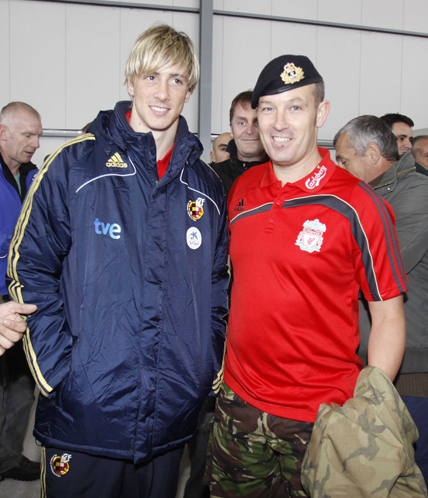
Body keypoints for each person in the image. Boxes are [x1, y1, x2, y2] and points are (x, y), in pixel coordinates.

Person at [7, 24, 228, 498]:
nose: (162, 93)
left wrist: (202, 370)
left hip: (171, 416)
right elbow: (30, 267)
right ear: (130, 81)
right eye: (151, 77)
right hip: (83, 415)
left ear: (189, 89)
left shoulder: (206, 186)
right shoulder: (74, 165)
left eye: (176, 79)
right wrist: (60, 374)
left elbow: (218, 286)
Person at [209, 55, 407, 497]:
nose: (279, 123)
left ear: (321, 113)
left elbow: (389, 315)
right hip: (238, 405)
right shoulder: (242, 190)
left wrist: (369, 411)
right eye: (268, 108)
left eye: (295, 107)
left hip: (322, 415)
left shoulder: (359, 204)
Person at [334, 114, 428, 484]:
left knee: (406, 473)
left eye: (344, 160)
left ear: (372, 154)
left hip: (411, 366)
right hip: (367, 357)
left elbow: (382, 267)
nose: (340, 169)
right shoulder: (367, 196)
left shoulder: (417, 193)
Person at [0, 101, 42, 482]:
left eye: (38, 136)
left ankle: (8, 458)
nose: (36, 143)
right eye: (28, 135)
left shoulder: (33, 177)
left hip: (23, 300)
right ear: (3, 133)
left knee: (21, 387)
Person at [213, 90, 268, 196]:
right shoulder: (212, 176)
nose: (249, 131)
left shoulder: (283, 175)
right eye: (242, 123)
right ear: (232, 130)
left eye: (257, 122)